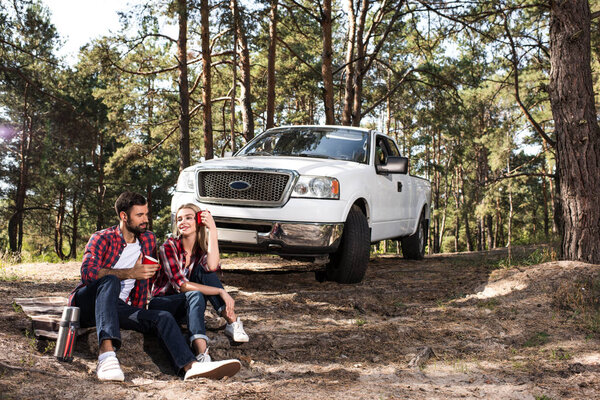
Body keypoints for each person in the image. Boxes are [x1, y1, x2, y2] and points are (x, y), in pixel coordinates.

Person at [68, 192, 240, 382]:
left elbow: (153, 280)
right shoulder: (102, 238)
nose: (145, 220)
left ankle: (191, 366)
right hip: (88, 304)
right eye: (139, 215)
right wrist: (130, 273)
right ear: (124, 216)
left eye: (146, 214)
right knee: (111, 281)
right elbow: (87, 274)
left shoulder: (148, 239)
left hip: (120, 307)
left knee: (162, 317)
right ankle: (106, 356)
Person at [151, 203, 249, 363]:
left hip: (188, 307)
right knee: (195, 294)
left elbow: (211, 266)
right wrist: (220, 291)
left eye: (189, 218)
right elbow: (181, 285)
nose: (183, 222)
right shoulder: (168, 246)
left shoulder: (201, 250)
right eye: (179, 219)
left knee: (205, 273)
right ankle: (203, 355)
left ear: (198, 221)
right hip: (164, 303)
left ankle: (232, 322)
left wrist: (212, 230)